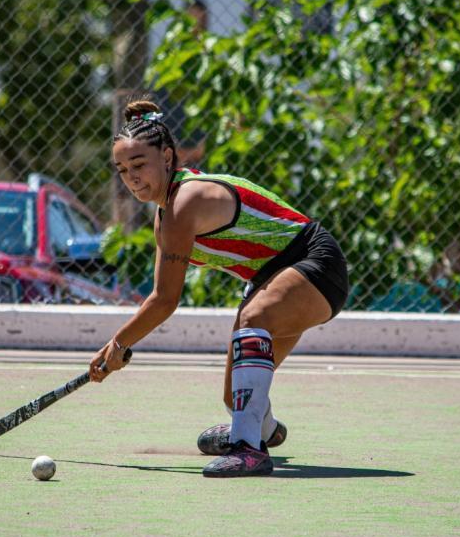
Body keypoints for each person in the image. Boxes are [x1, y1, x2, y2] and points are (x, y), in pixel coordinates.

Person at [89, 99, 349, 477]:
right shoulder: (166, 217)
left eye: (139, 164)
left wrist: (119, 346)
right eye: (123, 169)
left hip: (316, 263)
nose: (131, 177)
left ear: (166, 156)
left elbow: (164, 300)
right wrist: (118, 346)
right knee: (234, 398)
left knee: (255, 317)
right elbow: (162, 295)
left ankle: (249, 450)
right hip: (270, 277)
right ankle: (264, 430)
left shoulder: (184, 202)